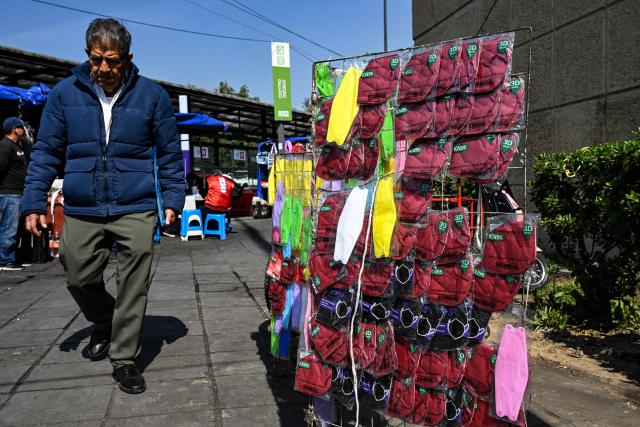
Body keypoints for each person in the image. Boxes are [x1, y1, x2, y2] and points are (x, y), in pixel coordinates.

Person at [22, 18, 184, 394]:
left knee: (134, 282)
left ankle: (124, 359)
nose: (105, 69)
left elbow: (170, 154)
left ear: (128, 58)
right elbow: (46, 152)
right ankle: (104, 320)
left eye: (113, 61)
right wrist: (33, 201)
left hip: (136, 204)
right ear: (87, 56)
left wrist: (172, 198)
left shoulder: (152, 96)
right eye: (97, 60)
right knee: (77, 272)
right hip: (83, 204)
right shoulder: (64, 94)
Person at [0, 117, 28, 271]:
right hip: (9, 193)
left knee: (13, 229)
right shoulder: (5, 146)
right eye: (20, 127)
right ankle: (6, 260)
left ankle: (11, 258)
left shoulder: (17, 146)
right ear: (13, 129)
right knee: (8, 229)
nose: (23, 129)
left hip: (16, 193)